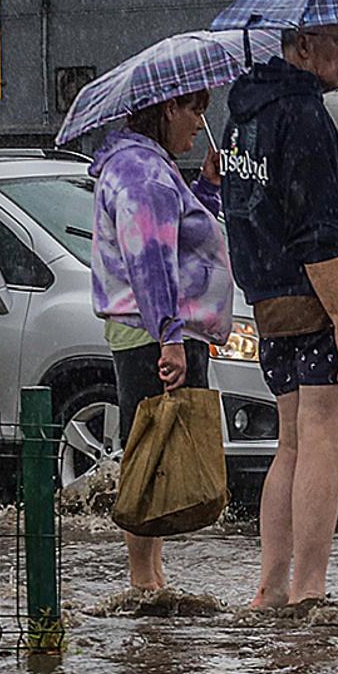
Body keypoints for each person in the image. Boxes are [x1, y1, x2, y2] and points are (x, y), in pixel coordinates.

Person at [220, 23, 338, 609]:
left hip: (270, 303)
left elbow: (271, 197)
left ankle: (271, 586)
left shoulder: (246, 115)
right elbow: (316, 230)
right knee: (323, 442)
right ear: (303, 46)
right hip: (318, 302)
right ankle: (309, 591)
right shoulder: (303, 114)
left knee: (291, 443)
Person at [90, 89, 234, 592]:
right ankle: (143, 579)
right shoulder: (141, 173)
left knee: (154, 442)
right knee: (148, 446)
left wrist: (207, 190)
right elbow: (149, 260)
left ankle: (149, 575)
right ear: (168, 108)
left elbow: (180, 237)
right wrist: (169, 336)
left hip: (156, 327)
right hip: (153, 329)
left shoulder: (150, 168)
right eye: (194, 109)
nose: (199, 122)